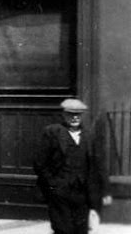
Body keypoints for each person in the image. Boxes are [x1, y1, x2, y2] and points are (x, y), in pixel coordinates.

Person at [33, 98, 111, 234]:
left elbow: (98, 165)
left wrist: (105, 191)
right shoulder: (52, 132)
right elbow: (39, 163)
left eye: (78, 114)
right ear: (63, 115)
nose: (75, 117)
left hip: (82, 193)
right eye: (71, 114)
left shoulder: (89, 135)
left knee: (81, 229)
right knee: (62, 229)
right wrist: (53, 185)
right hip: (60, 192)